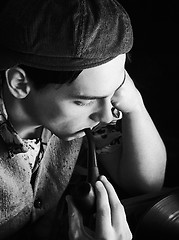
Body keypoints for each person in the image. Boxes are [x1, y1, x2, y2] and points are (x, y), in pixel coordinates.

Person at [0, 0, 166, 239]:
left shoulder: (86, 116)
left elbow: (145, 183)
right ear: (20, 83)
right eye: (85, 100)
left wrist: (135, 106)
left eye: (114, 92)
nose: (108, 116)